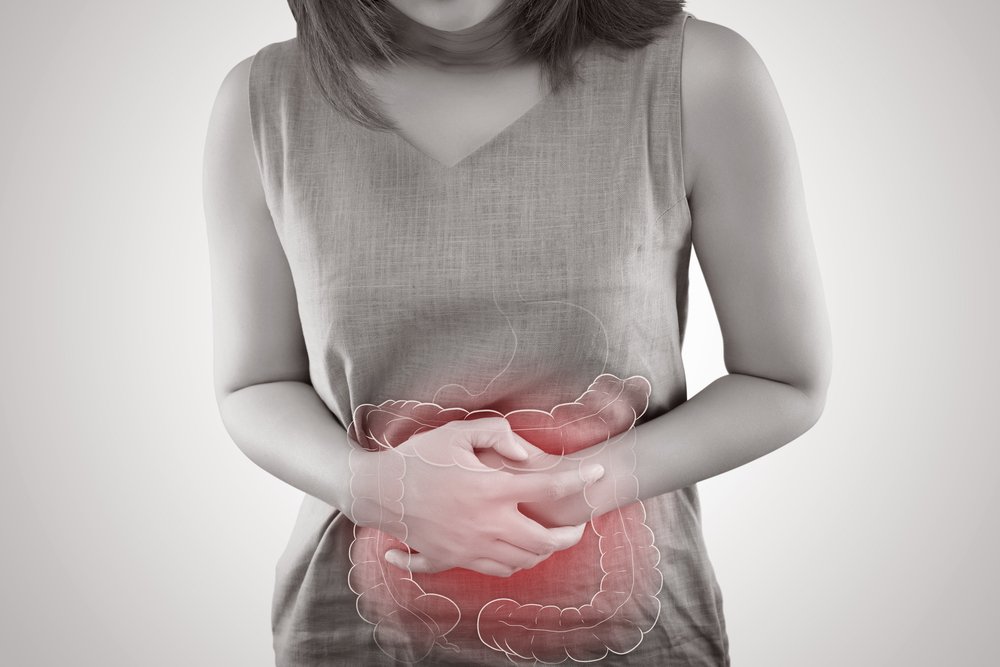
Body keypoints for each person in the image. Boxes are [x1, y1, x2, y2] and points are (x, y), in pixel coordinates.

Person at [202, 0, 832, 664]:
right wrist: (373, 486)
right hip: (349, 634)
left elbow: (784, 379)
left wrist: (575, 488)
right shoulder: (261, 102)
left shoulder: (700, 75)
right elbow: (254, 381)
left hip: (640, 639)